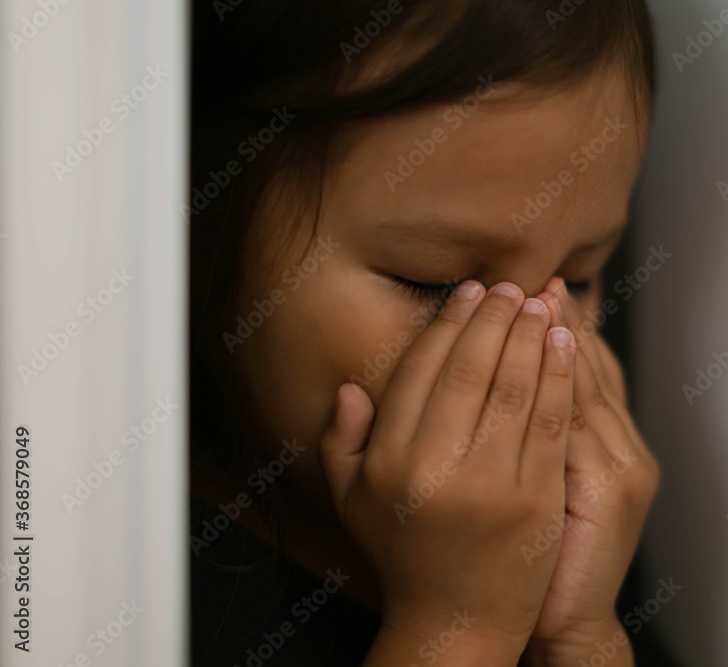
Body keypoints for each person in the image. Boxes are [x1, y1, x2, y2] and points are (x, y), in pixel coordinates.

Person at [188, 1, 673, 664]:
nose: (526, 351)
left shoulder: (580, 537)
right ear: (203, 235)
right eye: (440, 285)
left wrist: (583, 637)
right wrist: (460, 628)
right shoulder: (125, 579)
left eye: (577, 278)